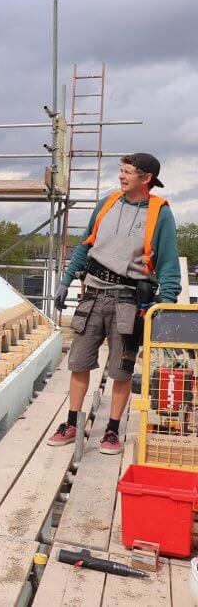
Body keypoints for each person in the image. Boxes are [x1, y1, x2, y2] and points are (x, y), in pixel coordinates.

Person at [49, 153, 180, 454]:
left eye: (128, 173)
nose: (121, 177)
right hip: (92, 295)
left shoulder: (160, 213)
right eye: (120, 171)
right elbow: (85, 246)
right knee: (78, 363)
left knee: (121, 370)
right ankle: (71, 423)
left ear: (146, 178)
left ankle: (111, 431)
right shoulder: (107, 203)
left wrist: (165, 306)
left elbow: (169, 265)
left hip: (128, 301)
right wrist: (65, 280)